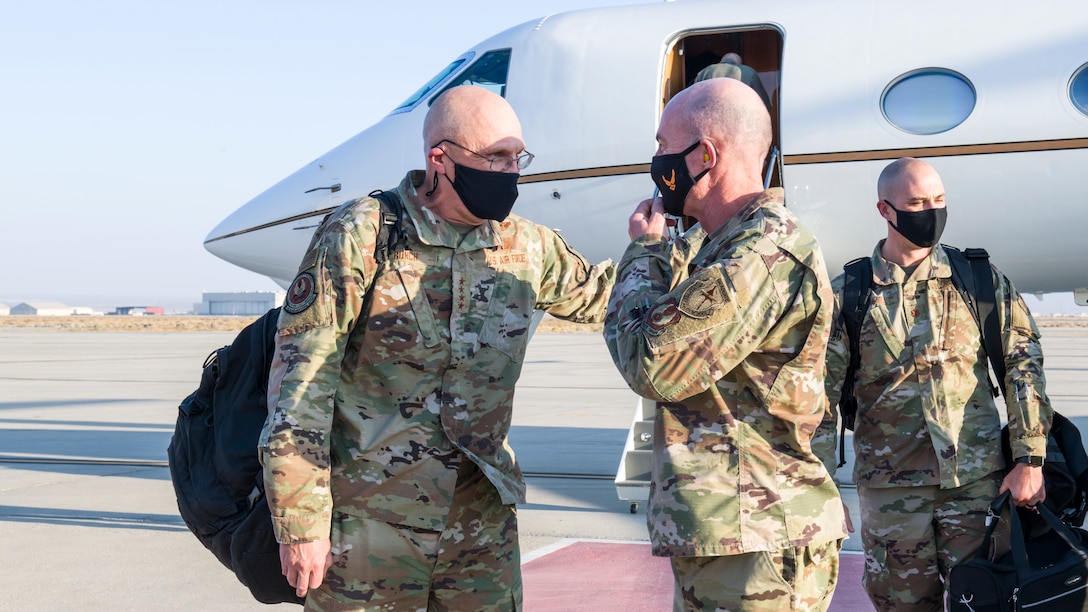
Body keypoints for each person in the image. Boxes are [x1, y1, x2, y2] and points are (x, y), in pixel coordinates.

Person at [259, 85, 616, 611]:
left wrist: (670, 247)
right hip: (371, 529)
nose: (511, 171)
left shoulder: (527, 246)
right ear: (440, 159)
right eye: (495, 157)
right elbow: (300, 387)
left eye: (518, 156)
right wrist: (300, 524)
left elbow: (607, 299)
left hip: (480, 527)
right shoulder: (363, 234)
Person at [603, 78, 846, 611]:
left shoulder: (758, 254)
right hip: (736, 534)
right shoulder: (721, 249)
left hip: (756, 543)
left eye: (664, 148)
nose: (657, 163)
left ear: (705, 155)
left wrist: (643, 253)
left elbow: (652, 363)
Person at [821, 157, 1052, 611]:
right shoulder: (849, 292)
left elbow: (1022, 364)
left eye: (939, 200)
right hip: (892, 494)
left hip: (976, 483)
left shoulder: (978, 280)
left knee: (989, 602)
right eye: (917, 202)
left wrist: (1030, 458)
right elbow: (819, 397)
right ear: (885, 210)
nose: (932, 211)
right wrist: (820, 487)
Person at [694, 52, 772, 110]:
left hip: (710, 121)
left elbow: (693, 101)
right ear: (739, 63)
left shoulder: (704, 72)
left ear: (721, 61)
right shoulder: (749, 72)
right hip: (739, 120)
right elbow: (764, 103)